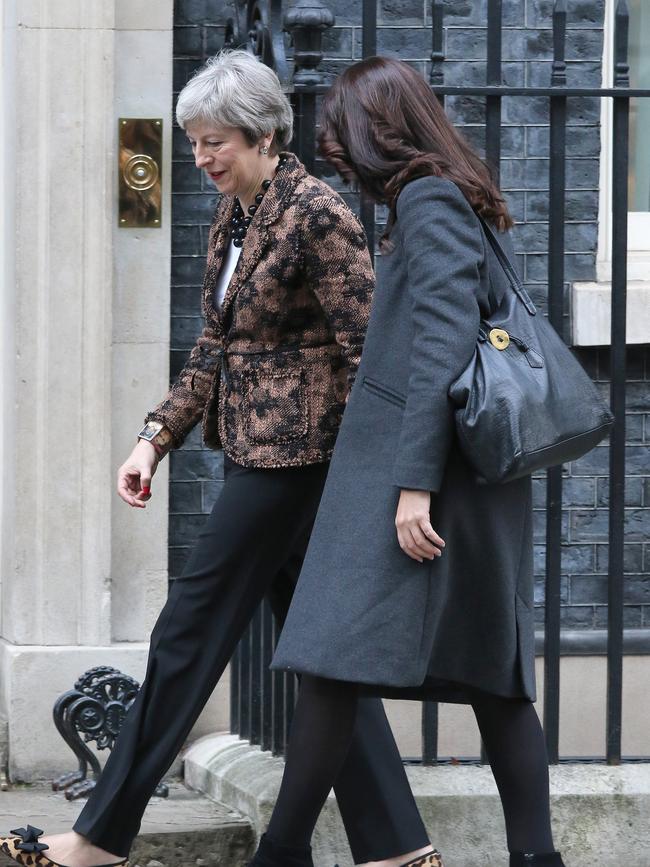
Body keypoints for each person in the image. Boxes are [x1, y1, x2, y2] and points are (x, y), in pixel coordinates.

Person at [0, 50, 438, 867]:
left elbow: (373, 353)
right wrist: (154, 436)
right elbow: (216, 341)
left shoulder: (316, 214)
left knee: (185, 635)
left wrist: (383, 478)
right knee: (326, 660)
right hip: (257, 458)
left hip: (298, 469)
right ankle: (400, 851)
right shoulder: (235, 214)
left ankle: (98, 836)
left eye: (215, 143)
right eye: (193, 142)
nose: (199, 158)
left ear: (267, 134)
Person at [246, 56, 568, 867]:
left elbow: (441, 348)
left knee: (329, 659)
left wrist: (412, 486)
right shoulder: (455, 197)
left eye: (338, 131)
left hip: (427, 480)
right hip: (462, 483)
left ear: (378, 129)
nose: (329, 149)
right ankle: (536, 859)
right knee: (487, 680)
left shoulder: (428, 201)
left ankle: (279, 855)